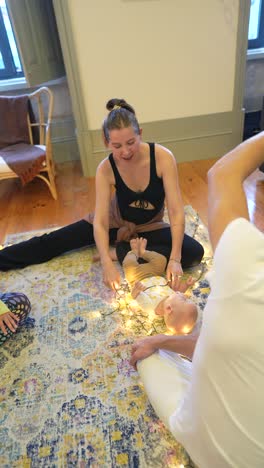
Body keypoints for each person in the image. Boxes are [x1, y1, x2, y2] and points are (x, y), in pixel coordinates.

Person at [130, 132, 264, 467]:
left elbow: (222, 174)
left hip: (204, 446)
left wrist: (174, 259)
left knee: (149, 356)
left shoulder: (246, 269)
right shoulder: (107, 169)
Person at [0, 98, 204, 290]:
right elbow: (100, 223)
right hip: (115, 223)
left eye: (131, 142)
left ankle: (123, 251)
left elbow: (177, 212)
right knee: (54, 241)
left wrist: (175, 259)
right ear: (106, 142)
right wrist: (106, 263)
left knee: (193, 253)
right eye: (117, 146)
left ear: (140, 133)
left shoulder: (163, 158)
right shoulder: (105, 169)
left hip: (150, 226)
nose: (125, 151)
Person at [116, 236, 198, 334]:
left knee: (128, 264)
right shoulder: (172, 298)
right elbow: (180, 291)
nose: (185, 295)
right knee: (162, 260)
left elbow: (135, 296)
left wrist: (137, 289)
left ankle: (134, 252)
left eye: (184, 299)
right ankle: (143, 252)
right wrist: (187, 285)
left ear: (168, 308)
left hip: (137, 276)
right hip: (155, 273)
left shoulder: (150, 306)